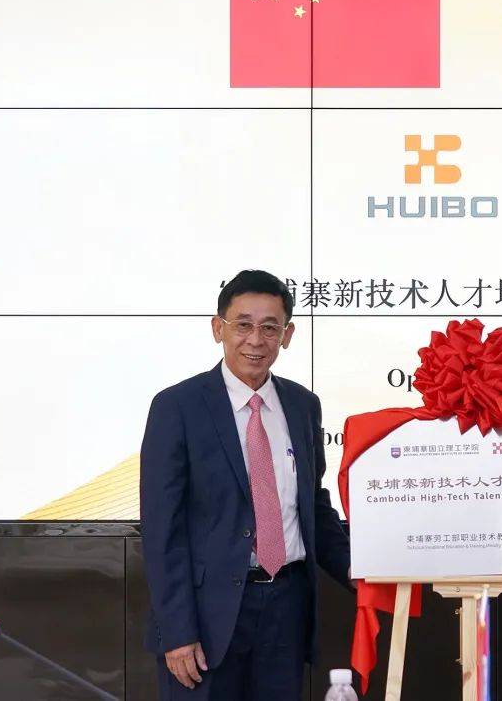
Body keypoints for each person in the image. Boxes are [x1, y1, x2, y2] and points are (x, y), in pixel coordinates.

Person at [140, 270, 351, 700]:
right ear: (218, 328)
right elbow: (162, 530)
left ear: (287, 335)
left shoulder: (302, 405)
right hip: (206, 620)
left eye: (270, 327)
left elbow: (312, 505)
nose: (256, 340)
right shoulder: (177, 406)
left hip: (286, 610)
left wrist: (360, 569)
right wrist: (178, 632)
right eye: (243, 325)